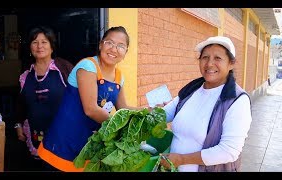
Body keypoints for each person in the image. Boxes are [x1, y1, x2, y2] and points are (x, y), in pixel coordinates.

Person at [38, 26, 140, 172]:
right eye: (109, 42)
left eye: (120, 46)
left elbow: (123, 108)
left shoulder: (119, 76)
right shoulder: (88, 66)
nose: (114, 49)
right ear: (100, 44)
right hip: (64, 142)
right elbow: (91, 110)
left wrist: (148, 111)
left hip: (87, 146)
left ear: (126, 52)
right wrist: (121, 130)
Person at [160, 36, 252, 172]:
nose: (209, 64)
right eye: (205, 57)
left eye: (218, 58)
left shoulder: (236, 100)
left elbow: (229, 151)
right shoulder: (192, 89)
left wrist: (181, 159)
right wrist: (134, 116)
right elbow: (164, 114)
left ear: (231, 63)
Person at [14, 26, 74, 171]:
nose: (39, 46)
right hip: (35, 134)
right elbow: (21, 104)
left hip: (63, 136)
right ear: (30, 47)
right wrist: (18, 125)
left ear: (52, 46)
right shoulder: (25, 75)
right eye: (35, 42)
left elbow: (80, 97)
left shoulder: (64, 68)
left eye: (44, 42)